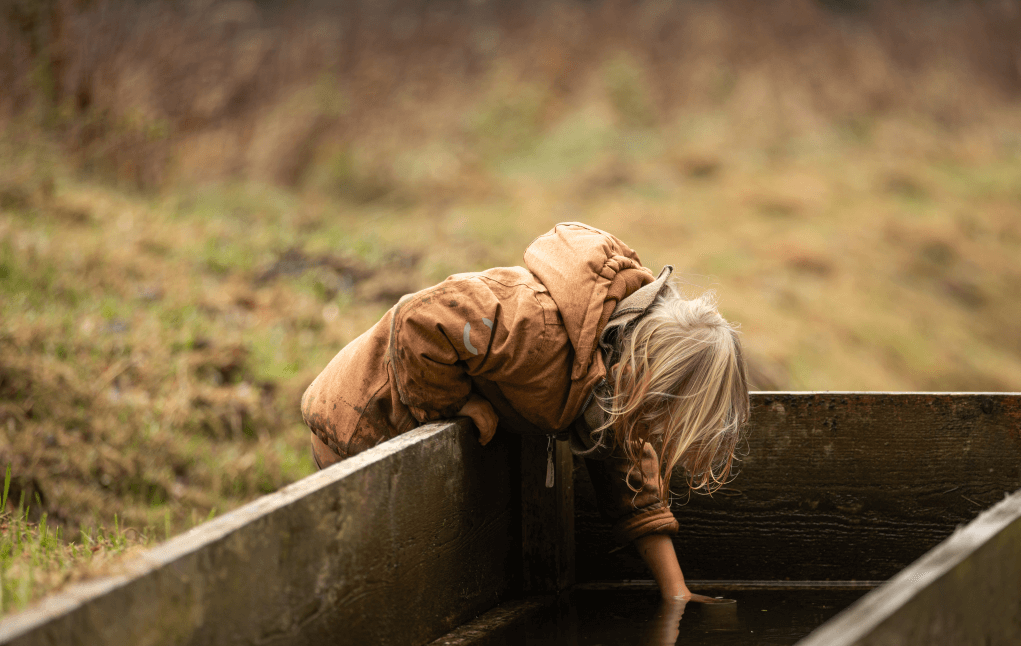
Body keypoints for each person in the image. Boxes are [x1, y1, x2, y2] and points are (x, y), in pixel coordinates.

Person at [301, 222, 749, 602]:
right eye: (656, 424)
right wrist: (455, 403)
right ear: (641, 381)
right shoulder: (533, 325)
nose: (649, 436)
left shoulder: (614, 376)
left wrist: (675, 592)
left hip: (418, 465)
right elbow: (418, 320)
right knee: (367, 587)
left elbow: (626, 465)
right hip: (365, 426)